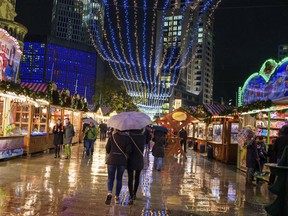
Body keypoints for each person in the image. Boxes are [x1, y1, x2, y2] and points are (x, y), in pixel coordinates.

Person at [105, 130, 132, 205]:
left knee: (110, 178)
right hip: (122, 161)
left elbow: (107, 148)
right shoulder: (128, 138)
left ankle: (109, 192)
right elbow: (129, 151)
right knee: (119, 179)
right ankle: (117, 197)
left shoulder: (112, 136)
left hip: (112, 159)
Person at [127, 129, 145, 205]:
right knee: (137, 177)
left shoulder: (129, 137)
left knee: (130, 178)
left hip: (130, 159)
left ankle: (131, 195)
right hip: (139, 159)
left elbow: (128, 149)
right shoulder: (142, 137)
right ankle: (134, 194)